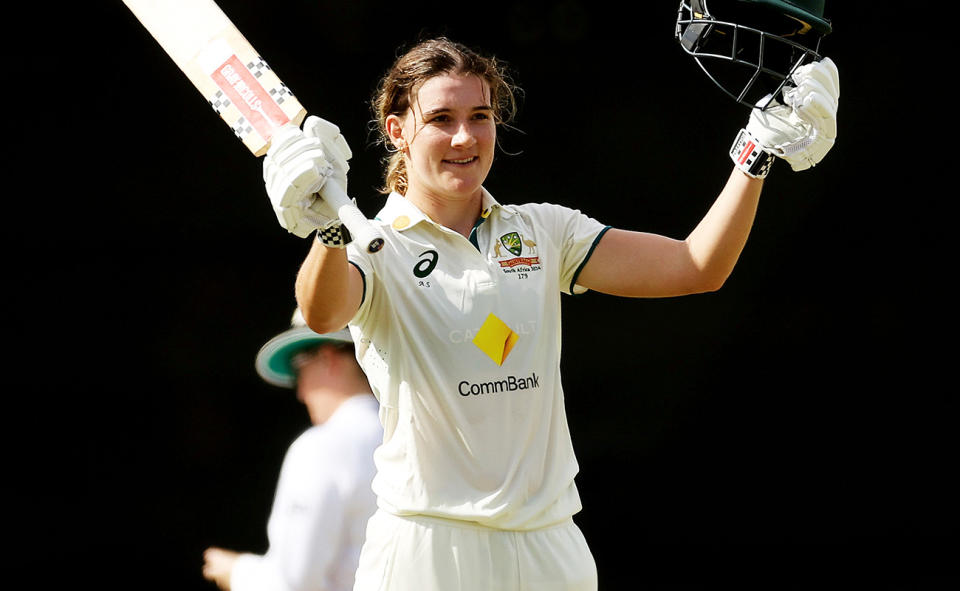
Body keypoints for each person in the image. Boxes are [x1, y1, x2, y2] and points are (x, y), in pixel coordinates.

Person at [258, 5, 839, 589]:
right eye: (441, 119)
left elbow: (696, 266)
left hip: (548, 543)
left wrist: (755, 156)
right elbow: (322, 311)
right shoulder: (373, 245)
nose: (465, 137)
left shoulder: (543, 231)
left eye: (480, 116)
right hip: (428, 546)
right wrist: (327, 230)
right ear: (397, 130)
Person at [202, 310, 382, 591]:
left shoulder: (321, 446)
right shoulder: (418, 439)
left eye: (300, 369)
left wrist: (236, 572)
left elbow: (294, 583)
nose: (300, 392)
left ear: (328, 358)